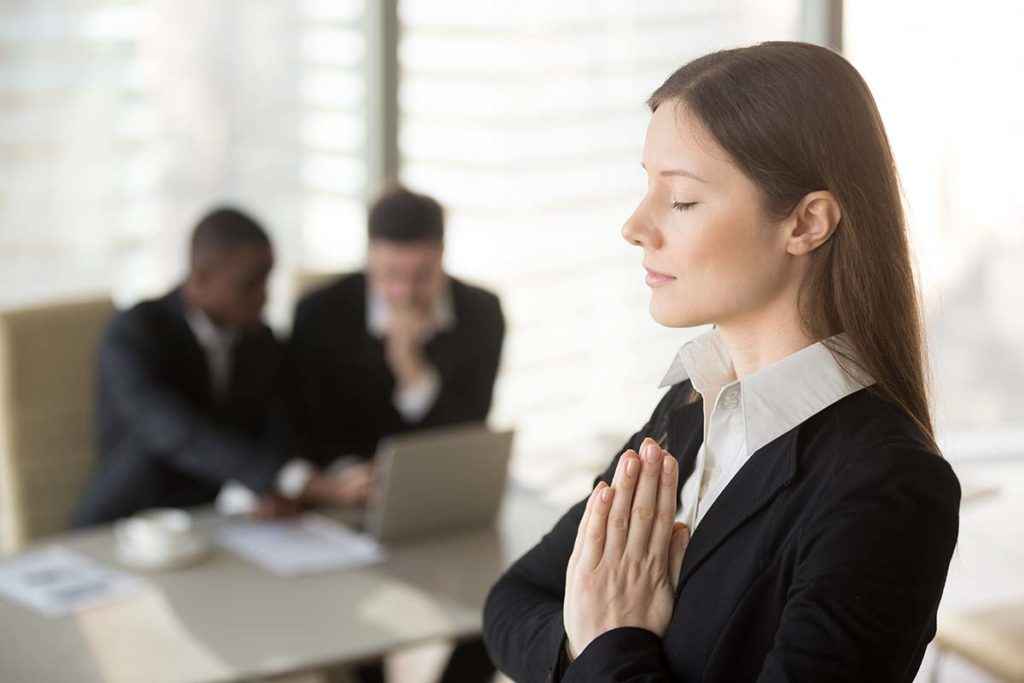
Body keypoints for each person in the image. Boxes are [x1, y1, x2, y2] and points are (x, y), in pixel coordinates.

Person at [482, 41, 960, 682]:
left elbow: (578, 627)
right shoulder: (690, 408)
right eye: (646, 187)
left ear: (806, 223)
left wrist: (610, 642)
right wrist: (588, 645)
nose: (635, 225)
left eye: (679, 200)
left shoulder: (887, 486)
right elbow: (513, 601)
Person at [288, 187, 504, 683]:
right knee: (361, 624)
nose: (404, 292)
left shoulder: (481, 314)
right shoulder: (319, 314)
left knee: (502, 603)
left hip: (444, 506)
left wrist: (412, 371)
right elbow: (305, 423)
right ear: (368, 260)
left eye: (421, 276)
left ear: (443, 260)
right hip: (348, 507)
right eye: (389, 276)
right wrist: (342, 476)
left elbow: (467, 432)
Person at [73, 207, 355, 527]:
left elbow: (284, 423)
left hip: (223, 520)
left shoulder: (259, 340)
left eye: (267, 280)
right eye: (249, 284)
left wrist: (273, 489)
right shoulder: (134, 334)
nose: (264, 297)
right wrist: (283, 478)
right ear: (200, 278)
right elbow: (175, 432)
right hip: (130, 519)